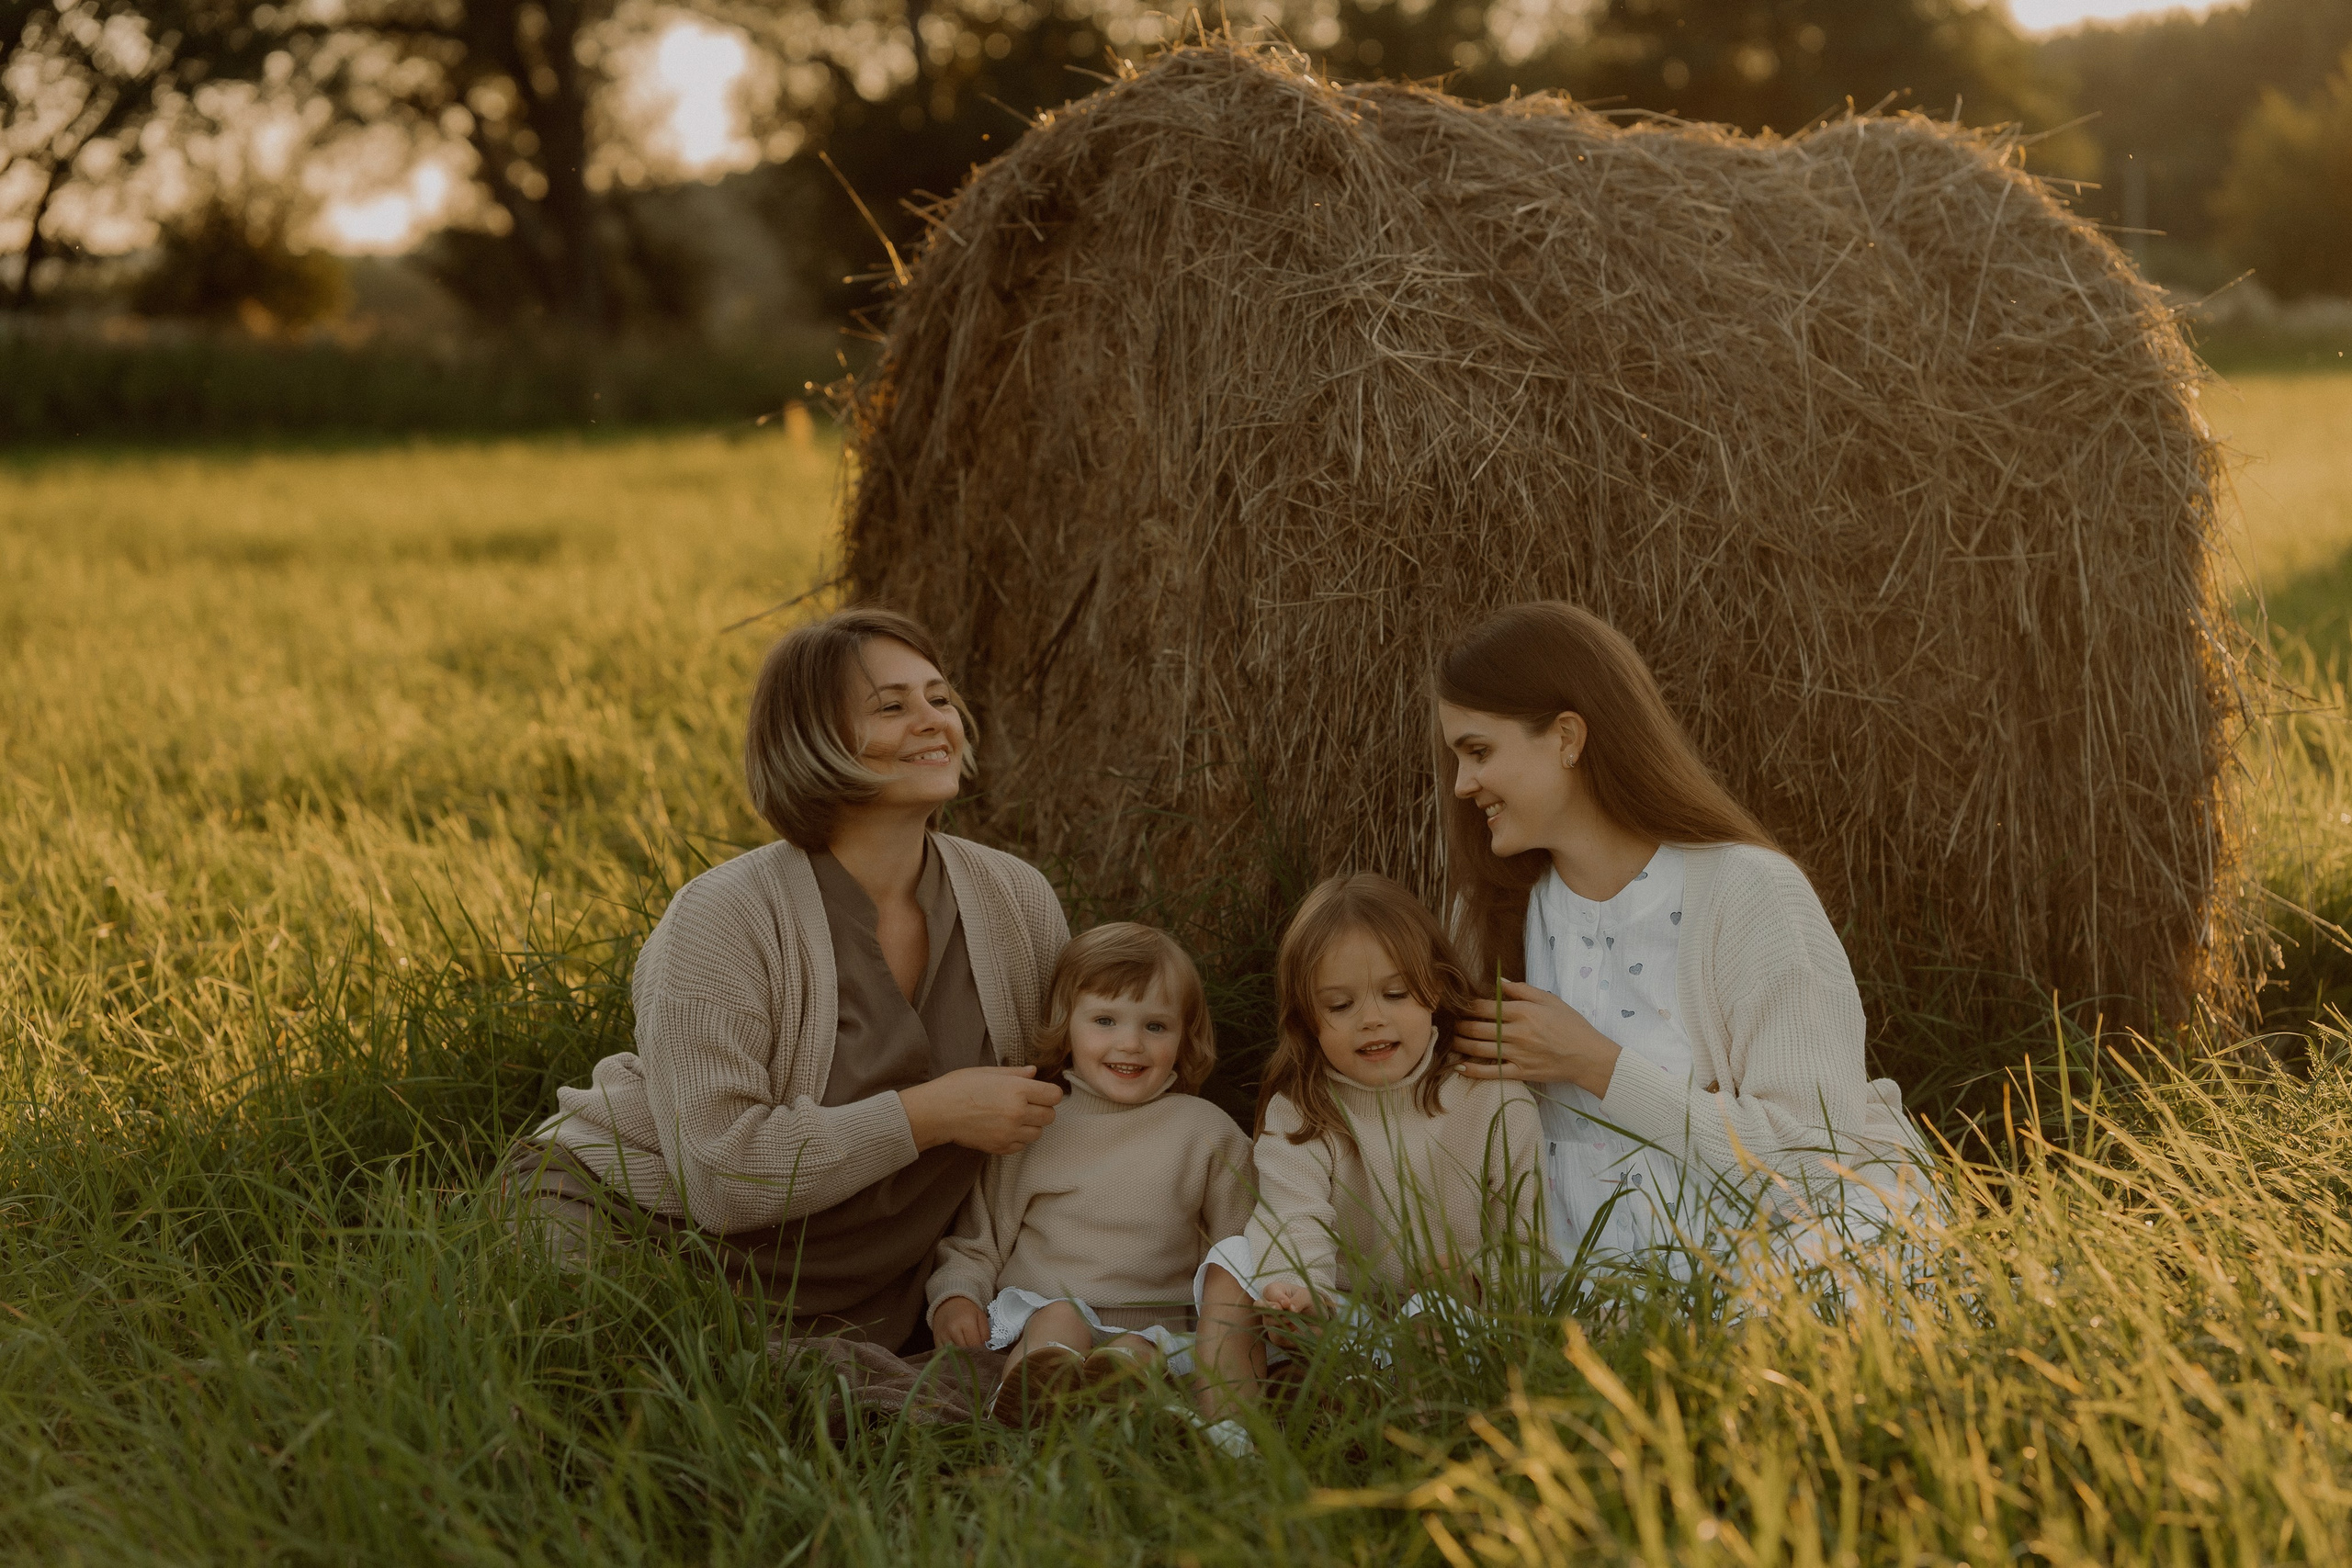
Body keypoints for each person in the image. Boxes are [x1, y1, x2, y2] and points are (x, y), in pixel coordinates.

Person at [507, 607, 1069, 1355]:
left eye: (940, 697)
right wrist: (930, 1113)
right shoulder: (720, 917)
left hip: (880, 1268)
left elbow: (1071, 1099)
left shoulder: (1016, 900)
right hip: (644, 1224)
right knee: (634, 1369)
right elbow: (718, 1177)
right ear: (813, 740)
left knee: (934, 1393)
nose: (935, 722)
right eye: (892, 706)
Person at [1435, 601, 1929, 1268]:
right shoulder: (1493, 917)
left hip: (1782, 1248)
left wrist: (1596, 1063)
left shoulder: (1747, 891)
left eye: (1479, 751)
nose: (1463, 784)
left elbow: (1815, 1161)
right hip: (1583, 1279)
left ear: (1567, 737)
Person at [1189, 874, 1543, 1453]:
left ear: (1437, 990)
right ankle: (1232, 1442)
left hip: (1460, 1333)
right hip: (1339, 1319)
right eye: (1341, 1005)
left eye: (1397, 994)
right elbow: (1291, 1215)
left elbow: (1527, 1248)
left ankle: (1415, 1450)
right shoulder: (1303, 1109)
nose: (1372, 1019)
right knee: (1234, 1258)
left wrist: (1474, 1280)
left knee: (1436, 1308)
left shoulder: (1493, 1100)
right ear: (1308, 1019)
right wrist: (1300, 1292)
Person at [923, 922, 1254, 1425]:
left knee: (1132, 1354)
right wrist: (955, 1296)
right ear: (1066, 1024)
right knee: (1059, 1320)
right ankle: (1027, 1407)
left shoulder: (1205, 1132)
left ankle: (1116, 1418)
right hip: (1043, 1311)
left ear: (1185, 1035)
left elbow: (1241, 1250)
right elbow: (977, 1240)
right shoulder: (1033, 1123)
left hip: (1152, 1331)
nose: (1131, 1044)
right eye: (1105, 1020)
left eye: (1155, 1026)